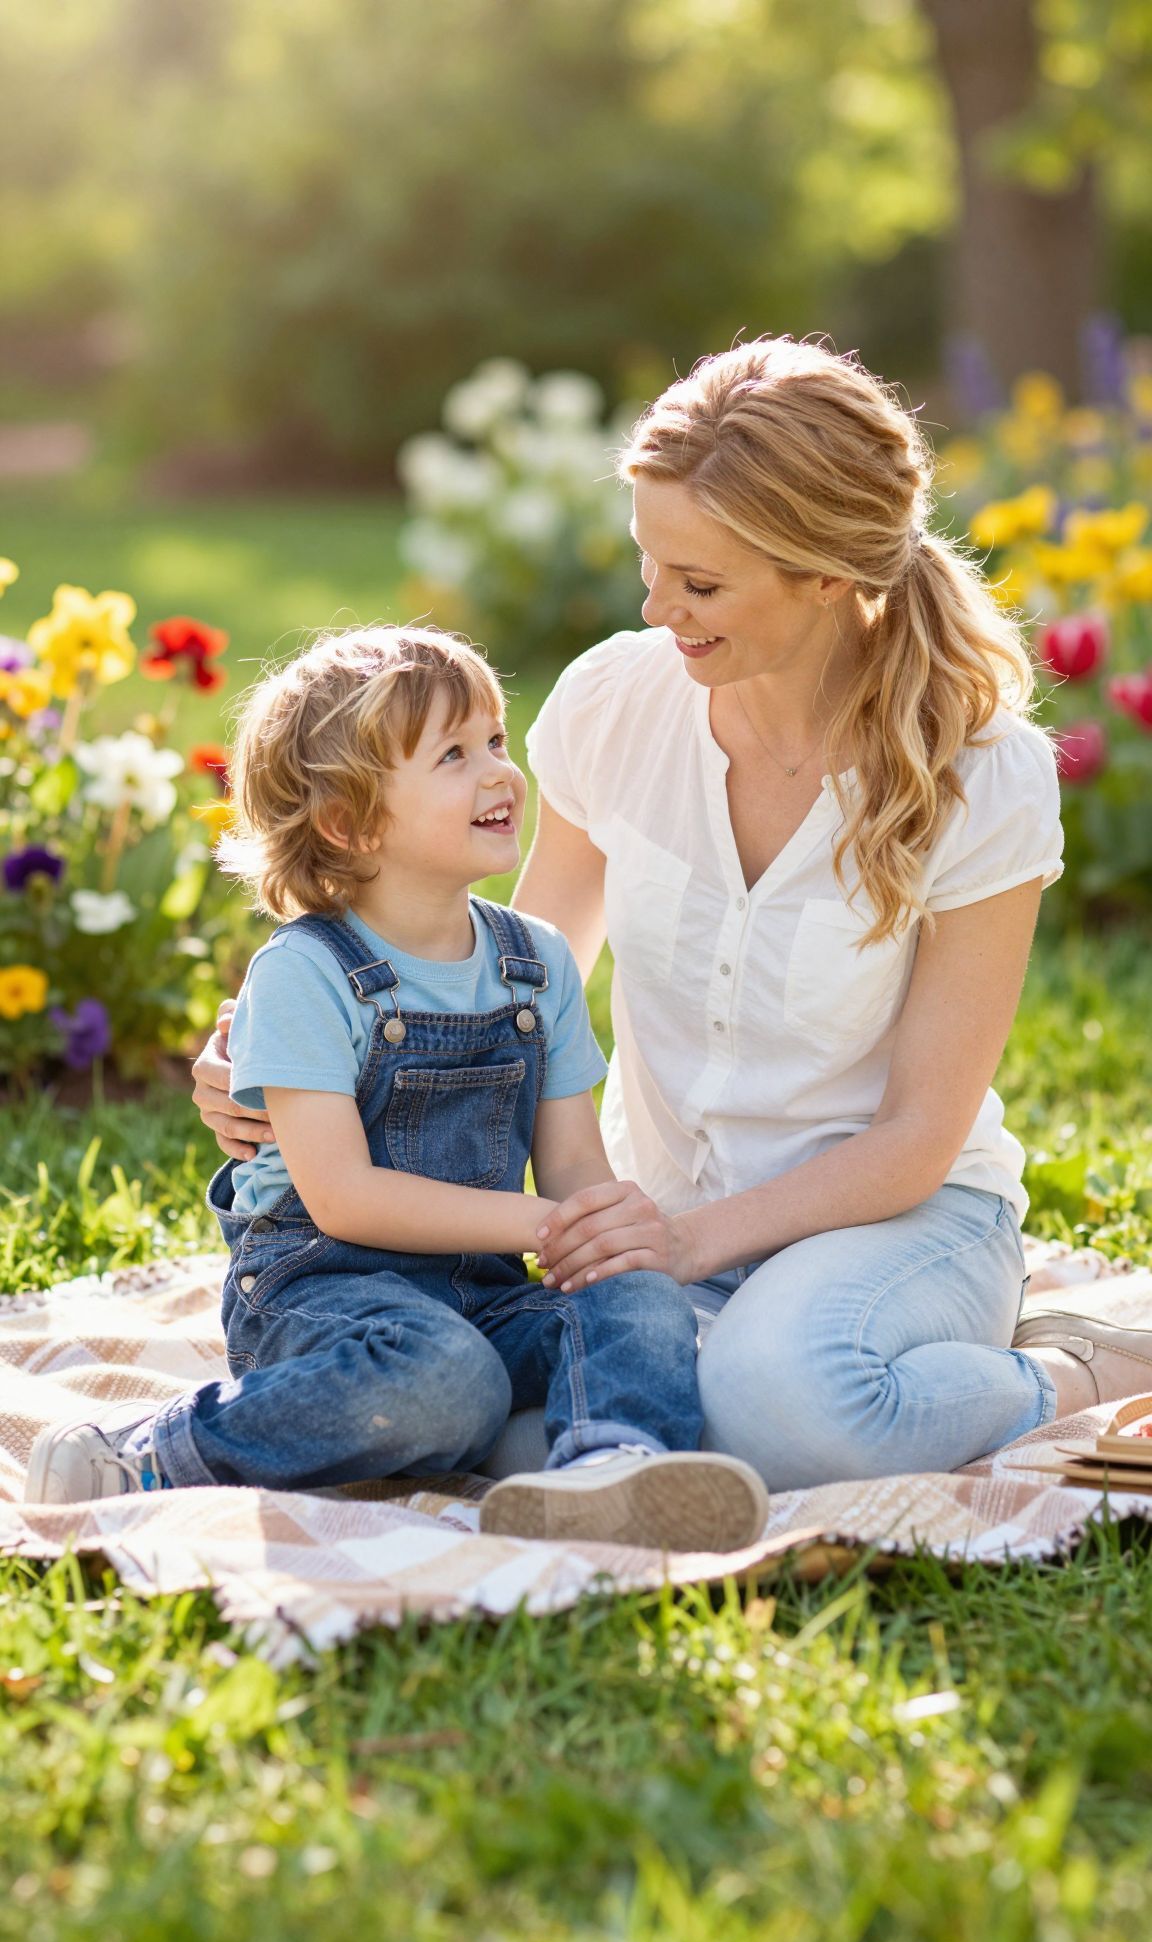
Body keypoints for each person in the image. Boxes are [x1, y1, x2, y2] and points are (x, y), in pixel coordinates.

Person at [191, 339, 1152, 1492]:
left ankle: (1064, 1370)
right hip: (666, 1222)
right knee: (515, 1433)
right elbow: (516, 989)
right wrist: (291, 1063)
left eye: (700, 584)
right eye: (651, 565)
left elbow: (916, 1137)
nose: (659, 609)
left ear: (830, 570)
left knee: (784, 1413)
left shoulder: (981, 770)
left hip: (897, 1214)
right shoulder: (622, 700)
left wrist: (691, 1241)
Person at [25, 625, 769, 1552]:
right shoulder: (305, 973)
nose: (499, 773)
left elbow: (574, 1161)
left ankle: (612, 1469)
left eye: (495, 741)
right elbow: (342, 1198)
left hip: (481, 1294)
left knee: (642, 1296)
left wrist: (602, 1236)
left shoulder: (534, 964)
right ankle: (159, 1449)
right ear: (349, 822)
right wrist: (541, 1227)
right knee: (447, 1380)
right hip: (323, 1299)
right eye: (453, 756)